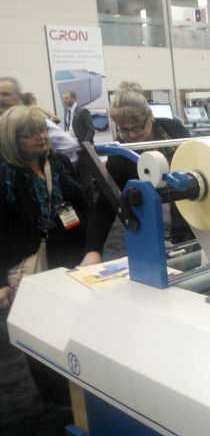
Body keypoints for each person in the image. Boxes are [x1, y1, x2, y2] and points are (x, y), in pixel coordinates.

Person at [0, 105, 87, 407]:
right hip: (24, 261)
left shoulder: (57, 162)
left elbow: (79, 205)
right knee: (36, 329)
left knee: (70, 320)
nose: (41, 136)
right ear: (12, 141)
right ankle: (53, 395)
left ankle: (76, 384)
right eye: (31, 134)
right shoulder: (4, 174)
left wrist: (88, 248)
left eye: (42, 129)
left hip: (65, 254)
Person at [80, 82, 192, 266]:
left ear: (150, 117)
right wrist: (93, 250)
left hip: (193, 222)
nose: (131, 135)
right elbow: (105, 205)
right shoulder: (120, 154)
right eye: (124, 129)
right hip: (155, 234)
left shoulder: (173, 130)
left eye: (137, 127)